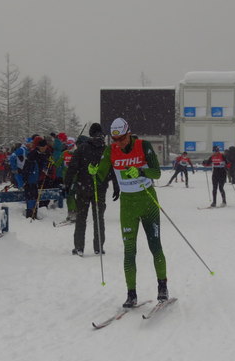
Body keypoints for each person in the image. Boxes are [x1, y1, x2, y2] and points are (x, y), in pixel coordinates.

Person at [88, 117, 169, 306]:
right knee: (129, 250)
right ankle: (131, 294)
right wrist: (93, 172)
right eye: (115, 139)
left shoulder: (143, 145)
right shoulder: (111, 150)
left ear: (129, 133)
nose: (119, 143)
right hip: (128, 205)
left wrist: (140, 171)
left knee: (155, 245)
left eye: (122, 138)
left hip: (147, 201)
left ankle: (162, 286)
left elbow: (157, 172)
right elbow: (100, 176)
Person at [64, 123, 119, 256]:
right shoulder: (105, 149)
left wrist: (67, 184)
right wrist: (116, 186)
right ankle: (98, 247)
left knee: (81, 218)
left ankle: (79, 247)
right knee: (98, 218)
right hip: (99, 188)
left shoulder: (82, 148)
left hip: (84, 187)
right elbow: (113, 170)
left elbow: (72, 167)